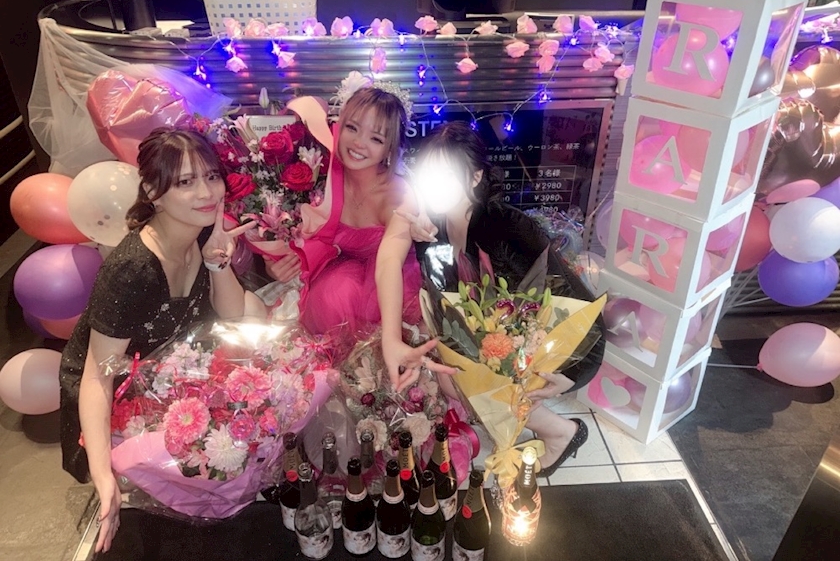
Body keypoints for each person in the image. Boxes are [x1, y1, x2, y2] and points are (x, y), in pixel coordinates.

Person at [59, 128, 266, 553]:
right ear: (153, 192)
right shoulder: (132, 269)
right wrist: (103, 477)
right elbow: (97, 378)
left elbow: (232, 316)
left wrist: (217, 263)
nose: (206, 192)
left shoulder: (203, 230)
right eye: (186, 181)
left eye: (211, 176)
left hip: (173, 370)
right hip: (119, 396)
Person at [393, 121, 605, 475]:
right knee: (452, 375)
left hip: (544, 343)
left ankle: (562, 432)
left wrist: (572, 373)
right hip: (499, 338)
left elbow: (578, 301)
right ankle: (502, 419)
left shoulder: (507, 228)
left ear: (476, 177)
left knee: (469, 376)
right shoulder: (437, 226)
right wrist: (418, 238)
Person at [267, 87, 454, 388]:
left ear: (390, 149)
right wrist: (275, 261)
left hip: (384, 284)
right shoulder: (317, 172)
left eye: (376, 138)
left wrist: (391, 338)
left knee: (339, 292)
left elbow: (388, 262)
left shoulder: (398, 193)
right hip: (328, 270)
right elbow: (289, 232)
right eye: (352, 128)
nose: (358, 143)